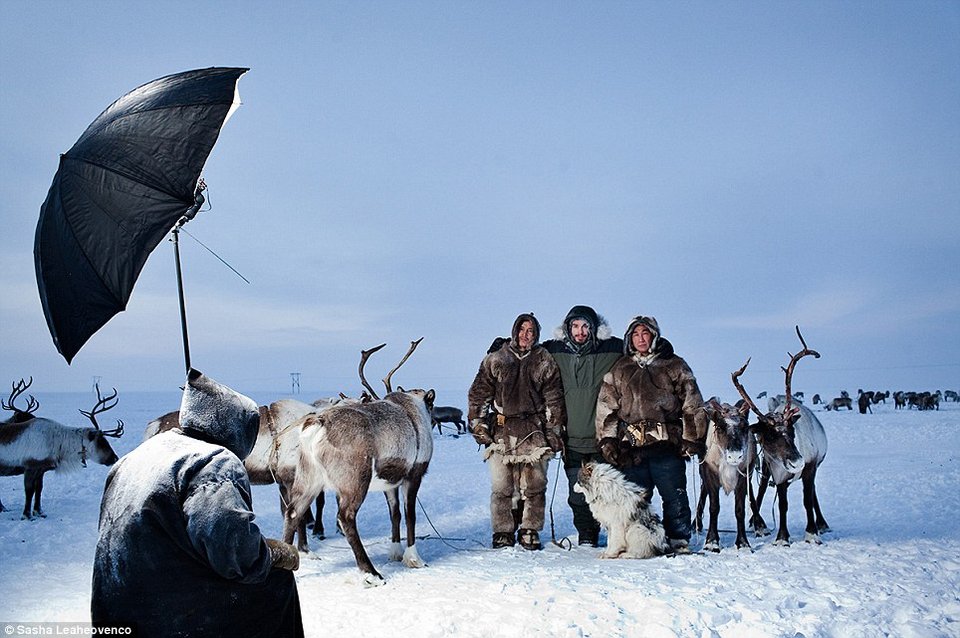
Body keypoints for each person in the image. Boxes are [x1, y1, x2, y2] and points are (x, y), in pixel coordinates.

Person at [91, 369, 304, 637]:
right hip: (167, 613)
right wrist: (273, 553)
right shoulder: (214, 461)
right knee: (277, 583)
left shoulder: (137, 455)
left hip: (113, 607)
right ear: (236, 426)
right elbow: (236, 556)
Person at [595, 316, 707, 554]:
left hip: (666, 444)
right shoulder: (620, 368)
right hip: (632, 447)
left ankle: (678, 539)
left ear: (654, 335)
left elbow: (692, 403)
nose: (641, 339)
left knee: (674, 494)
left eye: (645, 333)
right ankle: (637, 541)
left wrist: (691, 438)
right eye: (636, 335)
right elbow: (607, 407)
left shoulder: (674, 365)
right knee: (634, 500)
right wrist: (607, 440)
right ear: (629, 339)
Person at [467, 313, 566, 550]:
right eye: (522, 330)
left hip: (534, 430)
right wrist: (478, 424)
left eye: (531, 331)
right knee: (502, 486)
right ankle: (503, 530)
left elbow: (554, 398)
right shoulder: (497, 358)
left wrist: (553, 430)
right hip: (503, 430)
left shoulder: (544, 360)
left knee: (534, 485)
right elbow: (479, 393)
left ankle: (530, 529)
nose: (526, 335)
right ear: (514, 331)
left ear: (536, 334)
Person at [541, 305, 623, 547]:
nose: (580, 331)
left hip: (602, 439)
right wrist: (502, 346)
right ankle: (586, 533)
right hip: (572, 439)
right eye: (575, 326)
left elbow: (641, 345)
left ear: (594, 328)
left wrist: (663, 347)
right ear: (567, 328)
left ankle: (613, 532)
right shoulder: (554, 351)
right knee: (577, 492)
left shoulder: (612, 349)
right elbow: (525, 350)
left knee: (605, 491)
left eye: (586, 326)